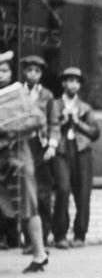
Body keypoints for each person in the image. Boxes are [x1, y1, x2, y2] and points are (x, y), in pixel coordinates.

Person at [0, 51, 50, 272]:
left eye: (4, 70)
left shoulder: (19, 93)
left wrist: (7, 127)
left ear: (11, 73)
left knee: (28, 204)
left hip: (18, 156)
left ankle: (39, 254)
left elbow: (37, 119)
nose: (1, 75)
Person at [51, 67, 100, 248]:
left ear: (79, 85)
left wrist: (78, 122)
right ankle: (60, 235)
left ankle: (80, 235)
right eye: (69, 80)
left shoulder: (85, 107)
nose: (72, 84)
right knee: (63, 190)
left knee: (83, 193)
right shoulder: (55, 104)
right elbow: (51, 126)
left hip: (82, 151)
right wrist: (64, 120)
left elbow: (95, 133)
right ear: (63, 83)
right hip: (62, 150)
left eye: (76, 81)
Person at [20, 55, 58, 246]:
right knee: (25, 192)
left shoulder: (47, 95)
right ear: (24, 72)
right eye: (29, 70)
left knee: (43, 193)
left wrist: (52, 145)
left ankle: (43, 239)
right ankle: (29, 241)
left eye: (36, 71)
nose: (32, 74)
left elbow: (54, 122)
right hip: (22, 144)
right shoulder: (17, 93)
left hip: (40, 146)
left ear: (41, 74)